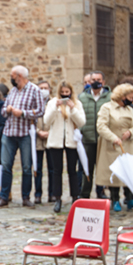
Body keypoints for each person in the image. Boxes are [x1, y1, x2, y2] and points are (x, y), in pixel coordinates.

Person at [0, 65, 44, 208]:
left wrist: (23, 113)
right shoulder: (12, 92)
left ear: (19, 76)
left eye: (12, 76)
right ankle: (4, 196)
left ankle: (26, 197)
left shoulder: (35, 90)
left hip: (25, 134)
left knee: (27, 167)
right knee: (6, 166)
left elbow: (41, 111)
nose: (11, 78)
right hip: (9, 133)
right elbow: (3, 111)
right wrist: (8, 109)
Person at [95, 84, 133, 212]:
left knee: (129, 172)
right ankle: (115, 200)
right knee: (114, 173)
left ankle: (131, 199)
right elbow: (101, 126)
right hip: (113, 145)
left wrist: (130, 132)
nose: (131, 100)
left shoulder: (129, 110)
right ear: (122, 96)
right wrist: (113, 137)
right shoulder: (106, 108)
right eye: (129, 97)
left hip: (128, 145)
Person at [44, 82, 86, 213]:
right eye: (63, 92)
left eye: (67, 92)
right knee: (57, 170)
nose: (65, 94)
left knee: (72, 170)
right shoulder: (52, 103)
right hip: (56, 141)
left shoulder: (77, 104)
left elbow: (82, 122)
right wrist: (55, 108)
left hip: (71, 141)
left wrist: (73, 109)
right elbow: (46, 121)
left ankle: (75, 197)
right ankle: (57, 198)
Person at [78, 71, 111, 200]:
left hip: (103, 139)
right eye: (93, 79)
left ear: (103, 81)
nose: (96, 82)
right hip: (87, 138)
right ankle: (85, 193)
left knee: (102, 168)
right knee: (87, 168)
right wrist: (81, 130)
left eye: (99, 79)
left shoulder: (110, 97)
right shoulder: (82, 97)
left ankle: (101, 191)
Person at [32, 80, 52, 204]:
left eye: (46, 87)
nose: (43, 90)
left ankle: (52, 194)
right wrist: (38, 131)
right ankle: (38, 194)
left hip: (52, 139)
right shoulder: (33, 103)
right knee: (37, 168)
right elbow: (30, 120)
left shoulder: (54, 103)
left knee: (52, 168)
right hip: (37, 139)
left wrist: (50, 132)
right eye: (41, 88)